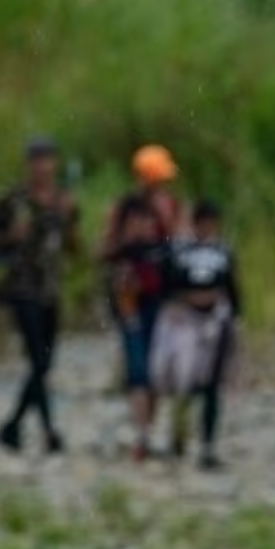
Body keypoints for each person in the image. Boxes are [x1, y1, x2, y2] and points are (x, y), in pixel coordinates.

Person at [0, 136, 79, 455]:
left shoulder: (62, 200)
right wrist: (11, 236)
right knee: (37, 359)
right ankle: (48, 431)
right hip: (21, 287)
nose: (42, 167)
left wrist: (68, 220)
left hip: (50, 287)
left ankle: (13, 425)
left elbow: (74, 247)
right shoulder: (12, 199)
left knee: (45, 363)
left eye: (47, 160)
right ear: (28, 165)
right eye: (37, 161)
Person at [156, 200, 242, 471]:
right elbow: (167, 286)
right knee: (184, 379)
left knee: (212, 385)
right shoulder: (179, 252)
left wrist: (235, 319)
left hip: (215, 320)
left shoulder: (223, 252)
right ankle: (178, 433)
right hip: (185, 321)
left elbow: (233, 288)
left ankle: (207, 445)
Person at [103, 196, 171, 462]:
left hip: (159, 315)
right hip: (131, 314)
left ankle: (147, 429)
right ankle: (141, 434)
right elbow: (101, 258)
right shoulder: (120, 252)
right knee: (138, 374)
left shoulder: (162, 250)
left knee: (155, 375)